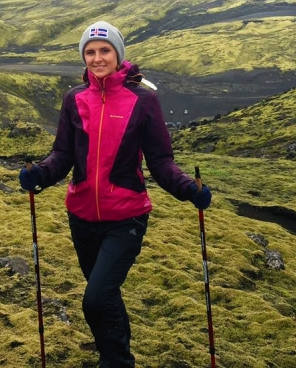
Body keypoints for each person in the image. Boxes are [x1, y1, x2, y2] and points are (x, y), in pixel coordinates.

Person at [19, 20, 212, 367]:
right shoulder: (74, 99)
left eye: (104, 50)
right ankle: (117, 354)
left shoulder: (143, 101)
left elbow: (161, 161)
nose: (97, 58)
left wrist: (188, 189)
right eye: (90, 52)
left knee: (96, 297)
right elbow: (63, 154)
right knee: (105, 296)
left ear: (118, 54)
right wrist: (41, 174)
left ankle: (116, 362)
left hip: (126, 217)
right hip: (80, 216)